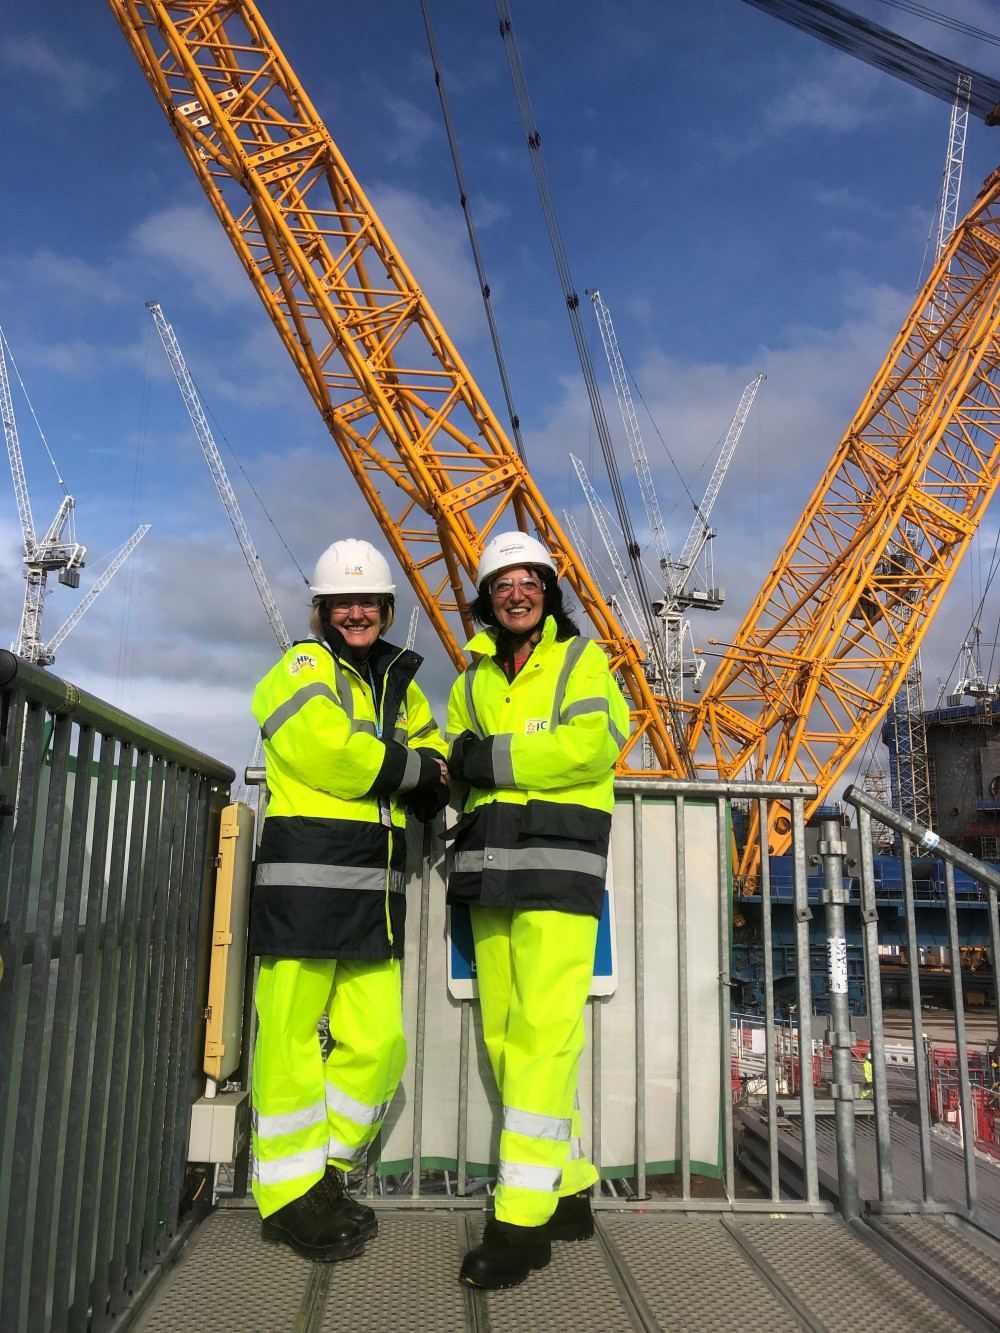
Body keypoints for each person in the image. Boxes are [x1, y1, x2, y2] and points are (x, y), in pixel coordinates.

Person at [249, 538, 448, 1262]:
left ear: (387, 608)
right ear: (324, 611)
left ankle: (325, 1173)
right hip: (307, 880)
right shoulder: (304, 667)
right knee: (290, 1039)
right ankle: (287, 1195)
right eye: (345, 602)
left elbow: (437, 752)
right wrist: (412, 772)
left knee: (378, 1043)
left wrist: (434, 772)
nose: (358, 612)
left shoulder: (400, 683)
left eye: (370, 602)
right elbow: (325, 751)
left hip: (374, 889)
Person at [445, 530, 630, 1289]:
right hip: (491, 869)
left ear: (549, 593)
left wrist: (494, 757)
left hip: (556, 870)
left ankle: (521, 1221)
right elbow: (449, 749)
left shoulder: (583, 661)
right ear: (486, 600)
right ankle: (571, 1182)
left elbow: (595, 741)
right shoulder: (473, 677)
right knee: (503, 1036)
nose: (516, 593)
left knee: (542, 1040)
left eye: (529, 581)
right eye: (501, 584)